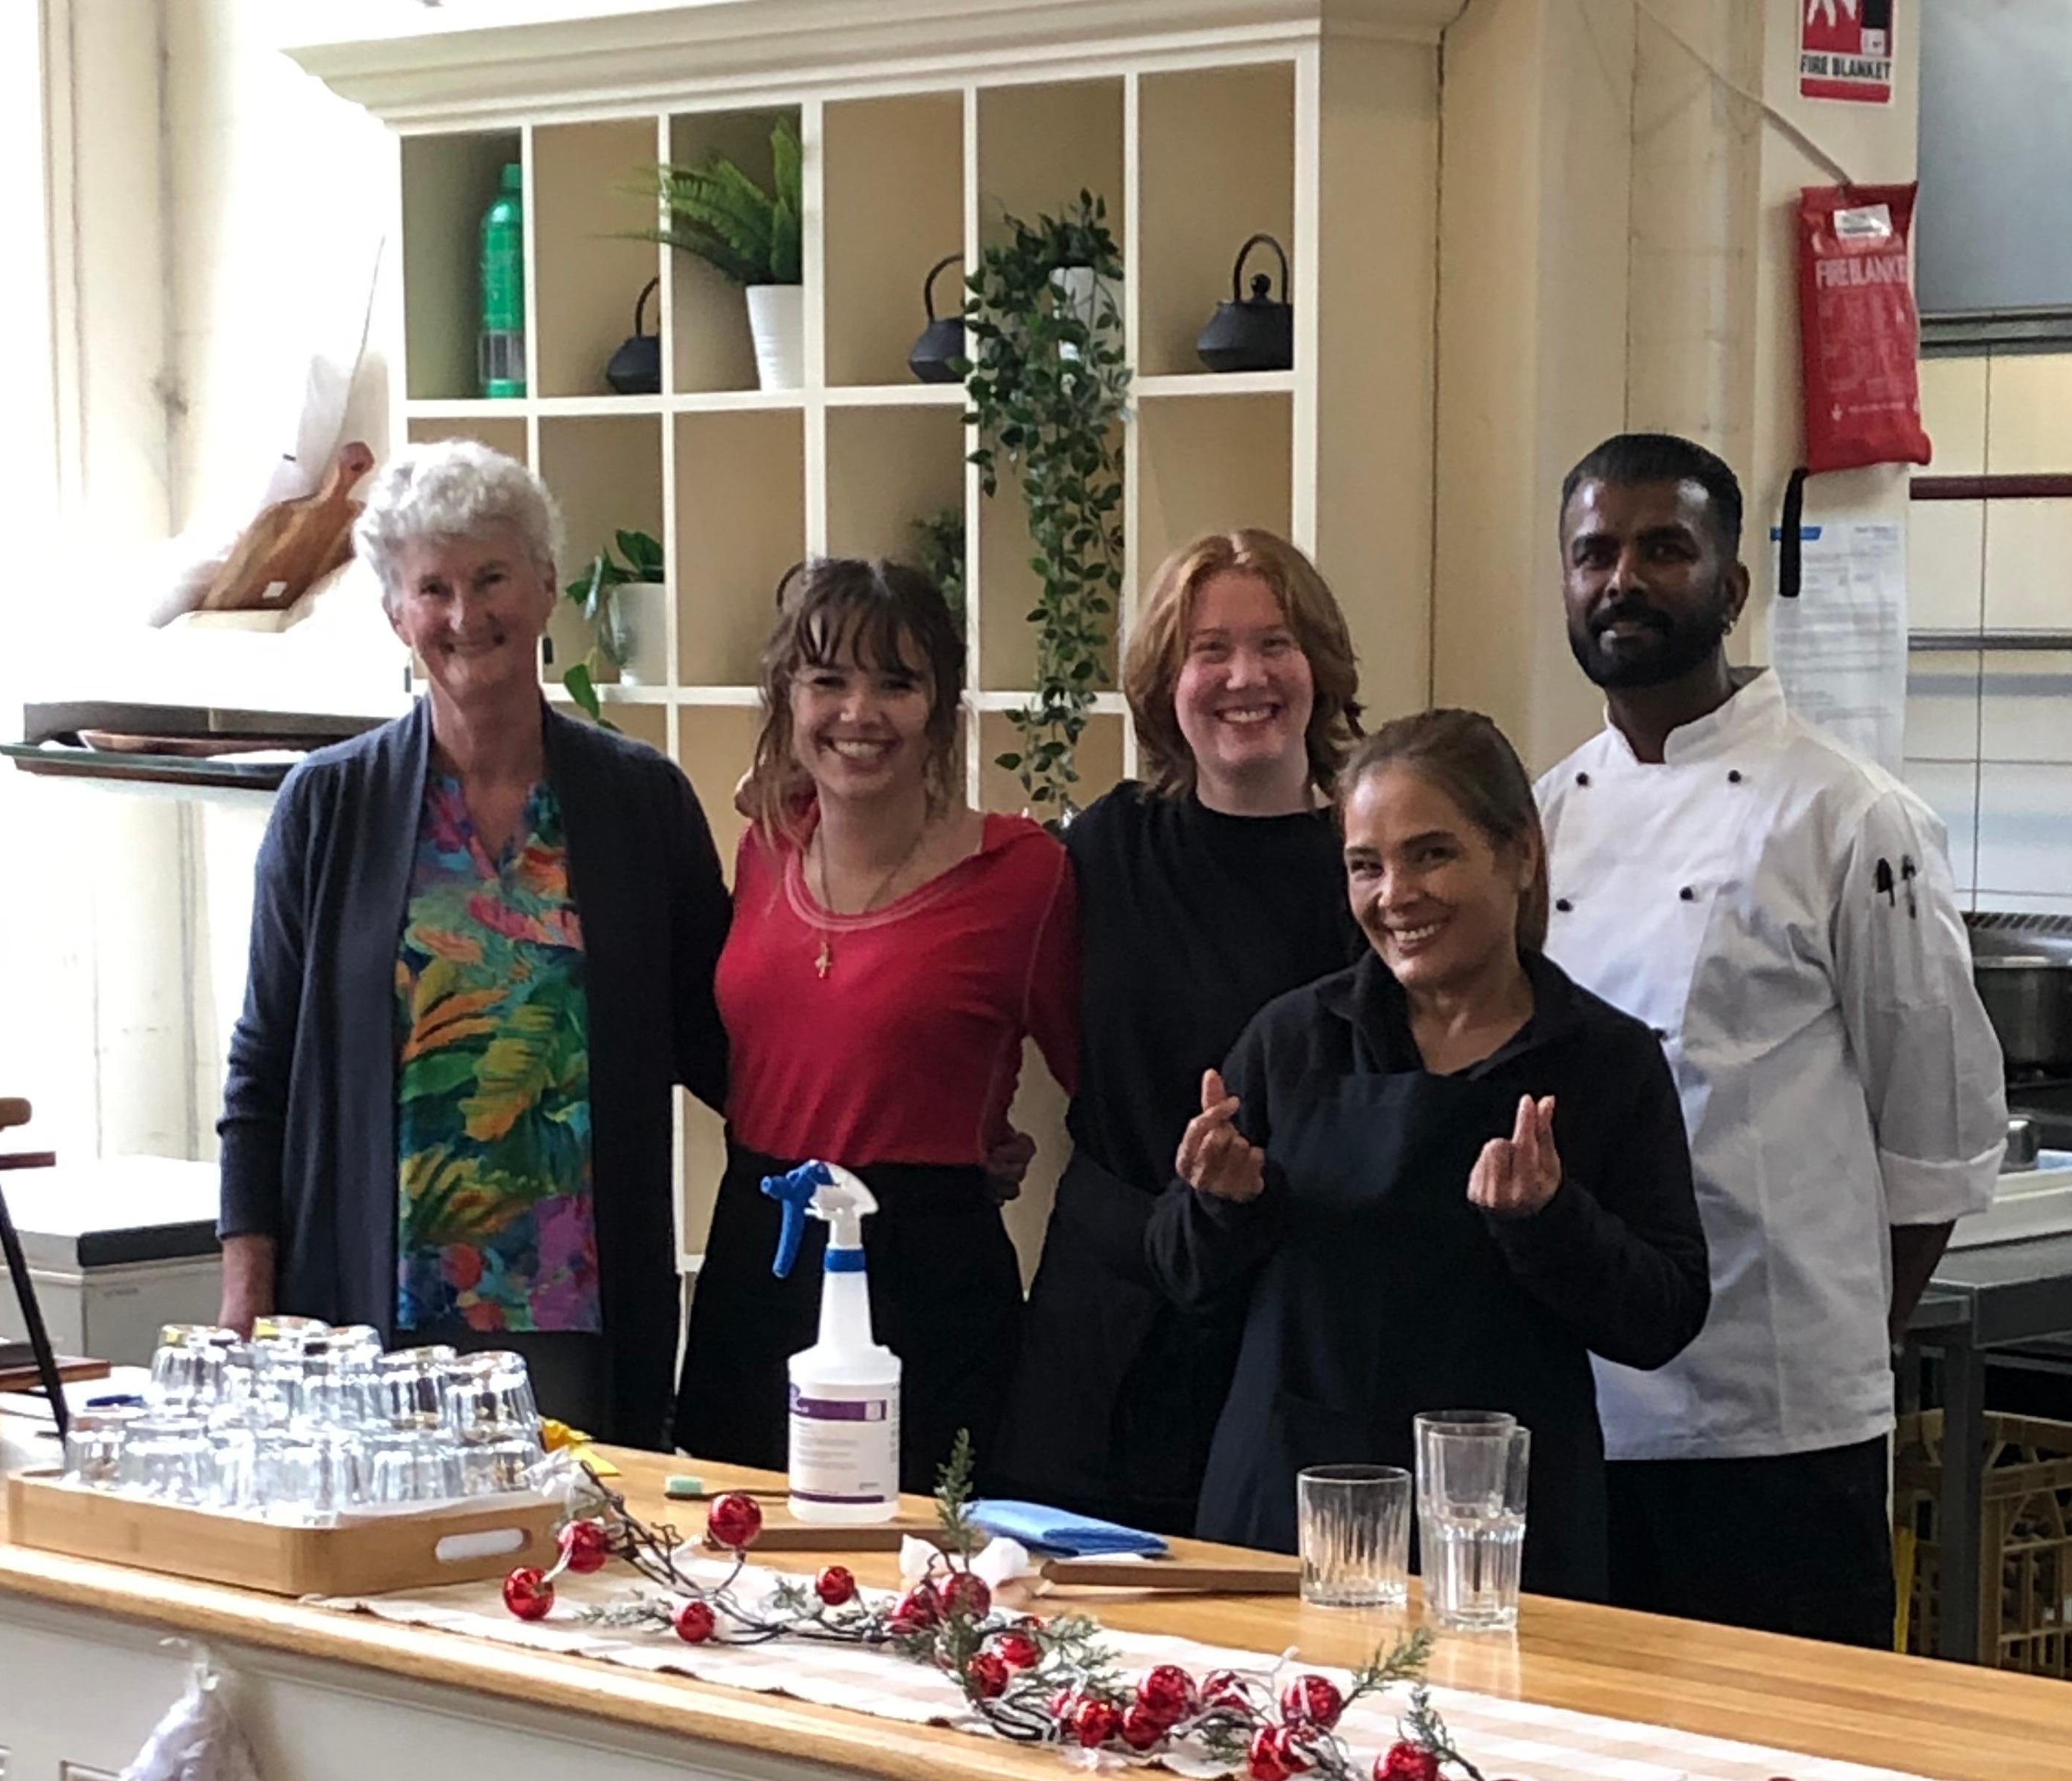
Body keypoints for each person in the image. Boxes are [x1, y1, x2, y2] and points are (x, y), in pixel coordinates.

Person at [1538, 429, 2007, 1645]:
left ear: (1732, 585)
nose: (1622, 580)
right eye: (1593, 553)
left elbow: (1934, 1141)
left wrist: (1829, 1345)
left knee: (1786, 1756)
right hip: (1577, 1408)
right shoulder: (1538, 819)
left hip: (1777, 1427)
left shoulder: (1851, 817)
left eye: (1662, 549)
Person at [217, 439, 730, 1448]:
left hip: (576, 1308)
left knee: (578, 1541)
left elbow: (727, 1037)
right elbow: (261, 1067)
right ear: (395, 614)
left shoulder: (642, 803)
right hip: (369, 1314)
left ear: (544, 587)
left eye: (491, 578)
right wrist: (246, 1292)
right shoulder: (326, 808)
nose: (465, 616)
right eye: (433, 589)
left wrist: (913, 1133)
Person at [1147, 712, 1708, 1598]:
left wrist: (1551, 1221)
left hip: (1498, 1539)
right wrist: (1220, 1203)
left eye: (1432, 854)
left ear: (1519, 855)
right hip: (1288, 1515)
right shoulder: (1294, 1039)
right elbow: (1181, 1279)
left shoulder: (1604, 1060)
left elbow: (1663, 1317)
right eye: (1366, 866)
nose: (1396, 895)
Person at [673, 558, 1078, 1490]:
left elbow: (1102, 1083)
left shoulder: (1024, 876)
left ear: (941, 705)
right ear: (787, 694)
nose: (860, 712)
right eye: (828, 680)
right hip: (759, 1259)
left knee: (927, 1560)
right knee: (735, 1548)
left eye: (897, 682)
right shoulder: (766, 844)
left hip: (927, 1284)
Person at [997, 529, 1362, 1532]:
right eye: (1211, 650)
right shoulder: (1103, 847)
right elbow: (960, 944)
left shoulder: (1366, 865)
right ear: (1168, 684)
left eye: (1275, 644)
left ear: (1320, 667)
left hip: (1289, 1318)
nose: (1246, 677)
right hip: (1104, 1322)